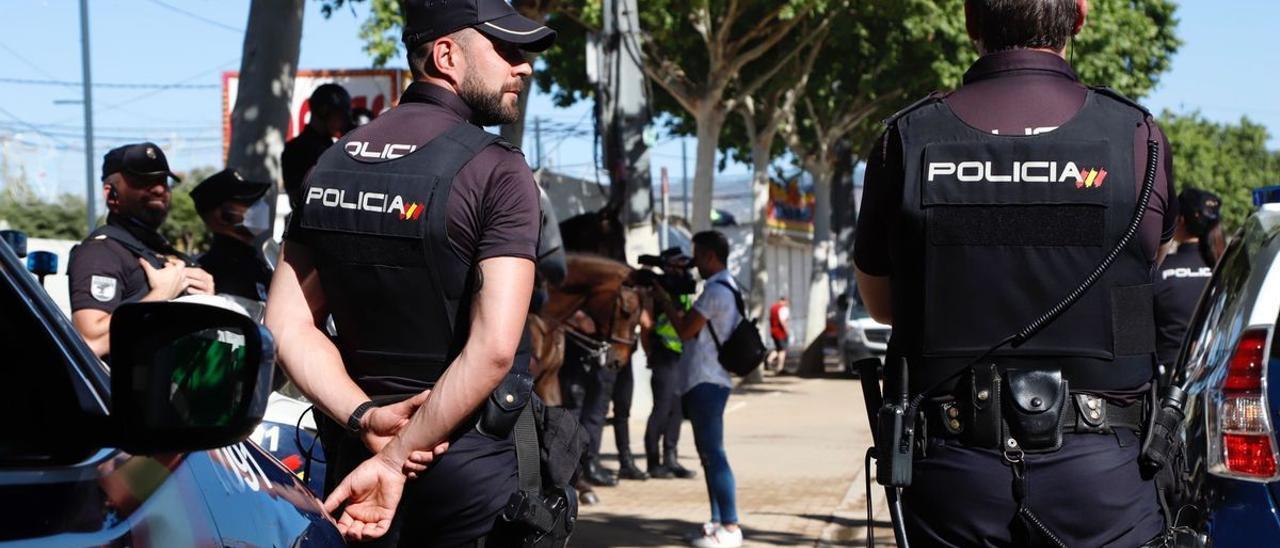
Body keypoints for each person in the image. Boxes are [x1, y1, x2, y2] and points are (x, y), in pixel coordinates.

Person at [853, 0, 1177, 545]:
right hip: (1105, 481)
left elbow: (882, 305)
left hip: (954, 478)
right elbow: (1142, 267)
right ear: (1080, 16)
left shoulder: (906, 139)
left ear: (969, 21)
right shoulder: (1136, 136)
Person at [264, 0, 557, 543]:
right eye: (507, 50)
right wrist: (396, 458)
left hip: (353, 465)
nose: (525, 66)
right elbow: (493, 348)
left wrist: (365, 418)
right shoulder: (498, 169)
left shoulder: (329, 164)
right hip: (471, 474)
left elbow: (284, 324)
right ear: (446, 54)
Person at [68, 142, 216, 358]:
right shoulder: (101, 253)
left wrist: (207, 302)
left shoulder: (167, 253)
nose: (158, 189)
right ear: (111, 195)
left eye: (163, 181)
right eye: (143, 180)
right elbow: (89, 342)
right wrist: (161, 295)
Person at [654, 230, 744, 547]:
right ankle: (718, 521)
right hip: (708, 380)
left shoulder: (716, 292)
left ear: (709, 256)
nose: (694, 264)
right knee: (708, 455)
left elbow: (684, 329)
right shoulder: (728, 286)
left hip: (707, 380)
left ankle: (730, 526)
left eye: (697, 256)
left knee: (714, 454)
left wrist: (662, 298)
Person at [1154, 188, 1223, 374]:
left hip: (1167, 377)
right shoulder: (1225, 270)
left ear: (1180, 220)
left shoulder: (1160, 269)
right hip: (1215, 371)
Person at [190, 168, 274, 319]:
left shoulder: (257, 263)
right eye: (248, 202)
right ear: (222, 215)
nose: (261, 207)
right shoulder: (209, 270)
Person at [640, 276, 698, 480]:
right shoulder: (655, 293)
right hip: (663, 355)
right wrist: (650, 353)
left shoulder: (684, 293)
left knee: (676, 410)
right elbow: (646, 325)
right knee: (662, 408)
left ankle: (671, 459)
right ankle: (653, 462)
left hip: (681, 356)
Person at [281, 83, 352, 209]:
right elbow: (298, 196)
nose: (343, 122)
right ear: (324, 111)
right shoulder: (296, 150)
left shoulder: (332, 146)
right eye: (340, 115)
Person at [768, 296, 790, 373]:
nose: (787, 304)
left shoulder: (773, 308)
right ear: (783, 301)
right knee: (783, 350)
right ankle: (780, 367)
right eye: (787, 302)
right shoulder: (783, 309)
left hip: (773, 331)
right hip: (781, 332)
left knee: (778, 348)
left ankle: (769, 361)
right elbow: (783, 321)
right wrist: (787, 330)